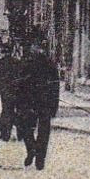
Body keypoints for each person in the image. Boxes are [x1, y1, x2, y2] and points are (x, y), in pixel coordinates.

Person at [15, 41, 61, 170]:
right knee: (41, 131)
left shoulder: (29, 63)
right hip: (40, 103)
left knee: (29, 128)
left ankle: (35, 153)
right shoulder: (47, 64)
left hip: (31, 103)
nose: (35, 49)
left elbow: (55, 86)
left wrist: (19, 102)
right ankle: (36, 154)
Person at [0, 44, 20, 141]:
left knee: (1, 111)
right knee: (10, 111)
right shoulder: (17, 63)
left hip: (0, 91)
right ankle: (7, 130)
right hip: (12, 92)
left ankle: (2, 130)